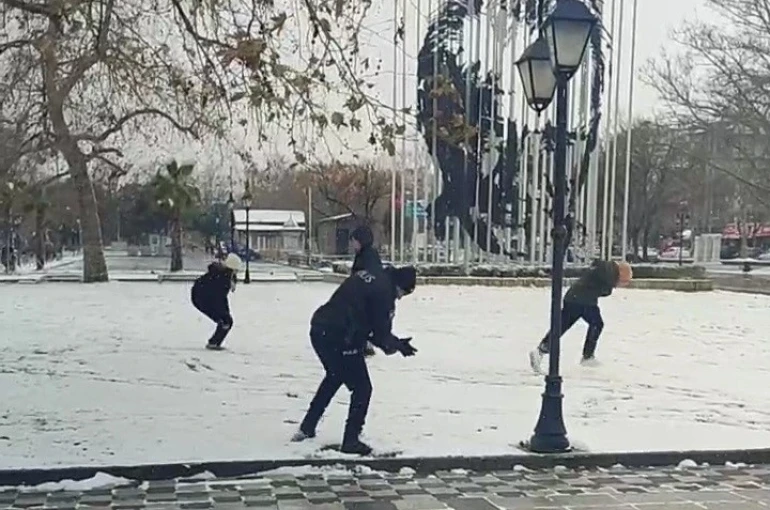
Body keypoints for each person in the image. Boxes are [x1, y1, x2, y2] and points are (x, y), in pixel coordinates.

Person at [291, 264, 418, 455]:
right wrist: (398, 345)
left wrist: (393, 343)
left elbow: (370, 326)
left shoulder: (374, 275)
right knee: (362, 388)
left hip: (320, 328)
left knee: (335, 376)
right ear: (399, 285)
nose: (400, 297)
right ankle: (351, 440)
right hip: (340, 335)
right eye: (403, 293)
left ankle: (307, 428)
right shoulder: (384, 294)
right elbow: (380, 333)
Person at [529, 260, 633, 372]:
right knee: (597, 324)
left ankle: (540, 350)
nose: (621, 285)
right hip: (584, 301)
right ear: (621, 274)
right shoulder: (608, 273)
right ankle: (587, 356)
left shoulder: (604, 269)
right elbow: (605, 289)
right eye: (624, 282)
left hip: (573, 297)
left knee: (561, 326)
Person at [191, 253, 242, 350]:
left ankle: (214, 342)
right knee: (226, 321)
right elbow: (220, 298)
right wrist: (225, 313)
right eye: (236, 270)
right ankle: (213, 343)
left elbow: (221, 297)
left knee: (226, 320)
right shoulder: (223, 278)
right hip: (202, 299)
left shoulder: (222, 274)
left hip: (201, 297)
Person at [349, 225, 382, 357]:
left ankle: (363, 345)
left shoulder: (368, 256)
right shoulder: (363, 254)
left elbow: (369, 276)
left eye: (354, 241)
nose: (352, 245)